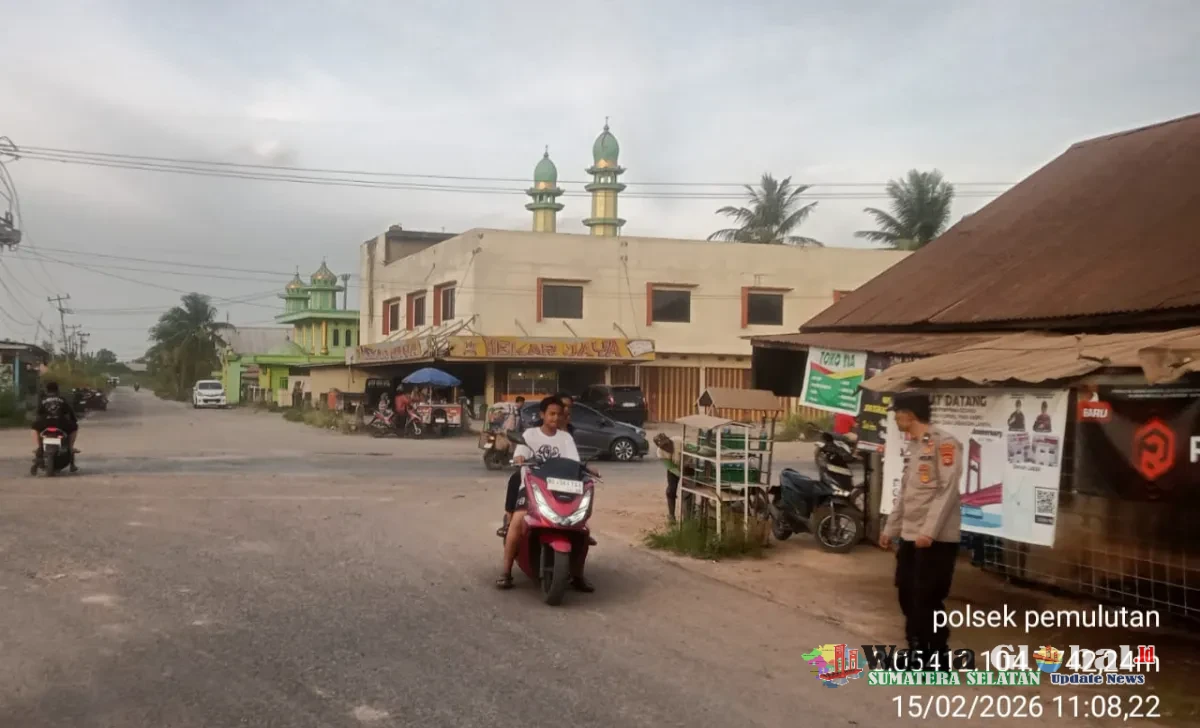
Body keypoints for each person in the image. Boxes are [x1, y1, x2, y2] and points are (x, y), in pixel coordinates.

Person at [878, 392, 962, 667]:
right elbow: (906, 494)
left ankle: (936, 654)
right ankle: (916, 646)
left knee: (927, 596)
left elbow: (946, 491)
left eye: (897, 413)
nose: (895, 419)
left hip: (936, 538)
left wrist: (928, 532)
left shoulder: (945, 444)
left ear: (909, 415)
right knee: (905, 591)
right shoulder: (914, 446)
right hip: (911, 535)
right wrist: (891, 529)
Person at [497, 396, 593, 592]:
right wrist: (521, 457)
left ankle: (578, 574)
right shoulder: (530, 435)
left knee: (582, 528)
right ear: (542, 415)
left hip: (560, 489)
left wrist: (587, 469)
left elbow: (574, 462)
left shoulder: (565, 438)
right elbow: (518, 456)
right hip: (533, 487)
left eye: (559, 414)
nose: (555, 418)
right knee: (517, 520)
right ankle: (506, 572)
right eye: (551, 413)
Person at [31, 381, 79, 474]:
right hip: (60, 422)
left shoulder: (42, 399)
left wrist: (38, 420)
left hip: (45, 422)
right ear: (57, 390)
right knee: (74, 428)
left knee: (34, 428)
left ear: (46, 390)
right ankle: (70, 447)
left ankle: (39, 447)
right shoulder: (62, 399)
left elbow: (38, 413)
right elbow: (70, 412)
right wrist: (73, 420)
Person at [653, 432, 683, 522]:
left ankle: (688, 515)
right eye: (663, 446)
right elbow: (671, 467)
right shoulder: (660, 453)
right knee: (670, 490)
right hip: (674, 467)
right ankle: (671, 516)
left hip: (688, 464)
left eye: (667, 444)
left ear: (669, 440)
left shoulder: (679, 441)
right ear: (660, 447)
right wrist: (680, 474)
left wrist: (686, 474)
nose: (667, 447)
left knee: (688, 490)